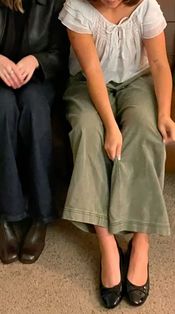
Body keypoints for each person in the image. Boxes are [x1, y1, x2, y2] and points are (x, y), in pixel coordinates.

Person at [59, 0, 175, 308]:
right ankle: (107, 244)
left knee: (145, 131)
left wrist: (164, 114)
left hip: (137, 82)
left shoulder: (147, 7)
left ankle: (141, 240)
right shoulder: (76, 8)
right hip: (88, 83)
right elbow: (92, 70)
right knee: (88, 132)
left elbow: (159, 64)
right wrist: (111, 127)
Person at [0, 0, 68, 264]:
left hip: (40, 79)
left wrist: (36, 60)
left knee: (33, 107)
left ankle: (41, 214)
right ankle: (7, 212)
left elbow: (65, 52)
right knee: (3, 108)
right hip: (0, 81)